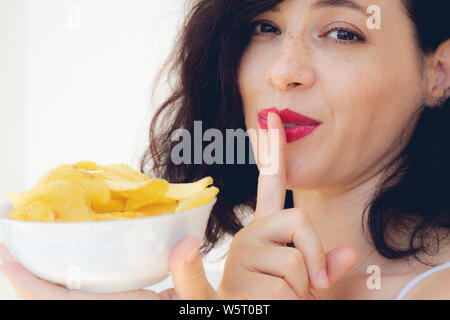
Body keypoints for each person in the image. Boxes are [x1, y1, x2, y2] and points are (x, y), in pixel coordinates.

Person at [1, 0, 450, 299]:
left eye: (343, 33)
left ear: (440, 73)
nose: (283, 70)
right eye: (265, 27)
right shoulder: (220, 289)